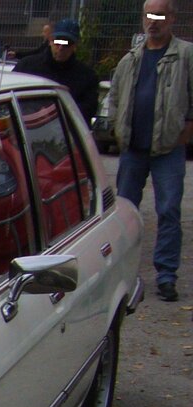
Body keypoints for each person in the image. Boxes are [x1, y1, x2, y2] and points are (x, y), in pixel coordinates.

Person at [109, 0, 193, 301]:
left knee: (168, 210)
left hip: (168, 148)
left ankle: (166, 276)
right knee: (124, 212)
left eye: (159, 15)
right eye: (148, 15)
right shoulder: (130, 59)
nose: (153, 21)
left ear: (172, 18)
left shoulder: (185, 55)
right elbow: (115, 97)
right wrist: (117, 128)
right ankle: (120, 271)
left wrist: (186, 131)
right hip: (133, 149)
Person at [14, 19, 99, 122]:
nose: (61, 48)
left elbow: (89, 109)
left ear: (74, 46)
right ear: (50, 41)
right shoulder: (27, 67)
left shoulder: (86, 76)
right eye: (58, 42)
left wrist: (57, 113)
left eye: (66, 43)